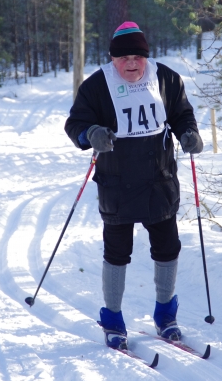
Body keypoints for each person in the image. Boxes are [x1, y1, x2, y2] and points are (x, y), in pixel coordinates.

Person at [64, 22, 203, 350]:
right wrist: (91, 135)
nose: (131, 63)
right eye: (123, 57)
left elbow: (182, 114)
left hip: (159, 180)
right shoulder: (98, 85)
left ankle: (165, 315)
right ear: (113, 59)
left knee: (168, 248)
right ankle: (112, 319)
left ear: (146, 57)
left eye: (137, 57)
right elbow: (76, 124)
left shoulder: (166, 78)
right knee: (117, 252)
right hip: (117, 182)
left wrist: (189, 134)